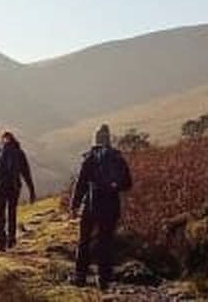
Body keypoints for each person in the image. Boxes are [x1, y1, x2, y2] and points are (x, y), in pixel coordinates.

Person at [70, 124, 133, 290]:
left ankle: (80, 276)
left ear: (95, 139)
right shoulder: (118, 158)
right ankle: (103, 279)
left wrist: (74, 205)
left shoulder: (90, 158)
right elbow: (127, 183)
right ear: (109, 138)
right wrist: (114, 186)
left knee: (84, 241)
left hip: (90, 205)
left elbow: (81, 183)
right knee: (105, 242)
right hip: (111, 207)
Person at [0, 131, 36, 252]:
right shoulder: (19, 152)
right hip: (14, 187)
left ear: (3, 139)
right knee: (12, 212)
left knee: (0, 214)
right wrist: (31, 190)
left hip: (0, 187)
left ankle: (1, 242)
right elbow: (26, 173)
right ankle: (11, 240)